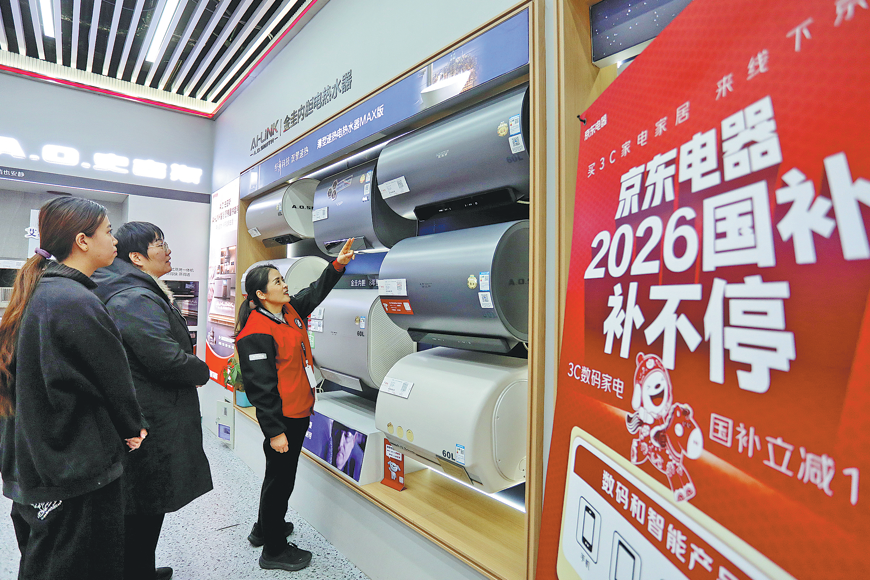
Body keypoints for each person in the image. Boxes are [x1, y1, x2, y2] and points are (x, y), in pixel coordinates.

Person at [0, 197, 147, 580]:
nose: (115, 240)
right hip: (71, 469)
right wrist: (133, 428)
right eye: (108, 231)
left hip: (36, 459)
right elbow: (114, 381)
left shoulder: (40, 291)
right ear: (82, 240)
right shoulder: (75, 301)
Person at [92, 222, 213, 580]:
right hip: (151, 418)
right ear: (137, 257)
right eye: (159, 243)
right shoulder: (134, 298)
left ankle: (140, 568)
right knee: (144, 504)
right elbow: (165, 358)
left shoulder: (136, 291)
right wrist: (202, 371)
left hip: (150, 411)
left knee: (146, 503)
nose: (168, 249)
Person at [235, 238, 356, 572]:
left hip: (299, 411)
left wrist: (337, 265)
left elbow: (315, 292)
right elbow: (261, 389)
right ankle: (273, 550)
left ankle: (264, 529)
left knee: (277, 476)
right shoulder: (256, 332)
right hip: (283, 419)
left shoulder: (288, 311)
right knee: (281, 481)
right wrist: (275, 431)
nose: (284, 285)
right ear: (261, 295)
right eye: (277, 282)